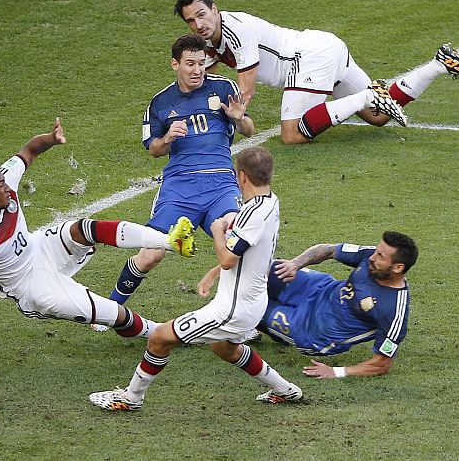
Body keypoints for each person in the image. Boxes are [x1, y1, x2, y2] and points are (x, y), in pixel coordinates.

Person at [0, 118, 196, 389]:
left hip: (39, 248)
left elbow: (30, 149)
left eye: (4, 182)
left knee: (84, 228)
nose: (7, 188)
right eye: (0, 187)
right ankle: (158, 332)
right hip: (32, 287)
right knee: (112, 313)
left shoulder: (2, 183)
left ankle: (169, 241)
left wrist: (51, 138)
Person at [89, 146, 303, 410]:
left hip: (232, 309)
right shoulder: (270, 201)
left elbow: (228, 258)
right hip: (252, 300)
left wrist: (216, 231)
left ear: (242, 176)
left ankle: (131, 399)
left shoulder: (251, 215)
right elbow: (248, 253)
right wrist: (214, 273)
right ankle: (286, 390)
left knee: (159, 338)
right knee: (224, 349)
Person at [173, 0, 459, 144]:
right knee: (377, 118)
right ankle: (440, 63)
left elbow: (247, 87)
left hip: (308, 58)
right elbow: (200, 72)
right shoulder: (209, 42)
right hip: (325, 46)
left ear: (215, 9)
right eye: (191, 20)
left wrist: (237, 112)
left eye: (202, 14)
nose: (198, 23)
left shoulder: (234, 30)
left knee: (292, 134)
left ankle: (366, 96)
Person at [101, 34, 255, 309]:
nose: (197, 70)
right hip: (180, 187)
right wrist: (168, 138)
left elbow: (249, 129)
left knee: (237, 244)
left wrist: (238, 119)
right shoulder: (160, 103)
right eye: (190, 64)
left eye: (201, 63)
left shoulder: (223, 89)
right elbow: (154, 149)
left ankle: (246, 317)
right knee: (150, 255)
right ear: (175, 64)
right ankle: (111, 309)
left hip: (221, 184)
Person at [201, 231, 417, 378]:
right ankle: (233, 326)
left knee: (247, 309)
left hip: (313, 331)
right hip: (317, 289)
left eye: (380, 256)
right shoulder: (369, 256)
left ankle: (193, 331)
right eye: (376, 250)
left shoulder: (393, 310)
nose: (372, 257)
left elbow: (382, 363)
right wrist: (295, 264)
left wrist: (337, 372)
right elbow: (328, 250)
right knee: (264, 270)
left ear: (397, 268)